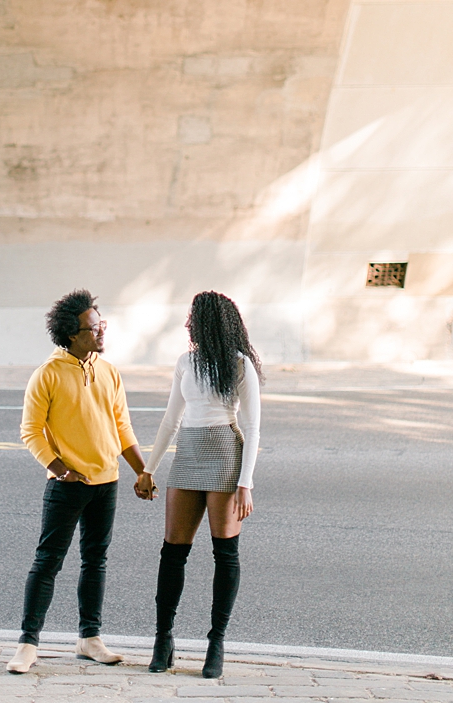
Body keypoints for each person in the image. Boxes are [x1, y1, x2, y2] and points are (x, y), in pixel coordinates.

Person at [7, 289, 152, 674]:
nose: (101, 332)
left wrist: (142, 470)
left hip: (107, 482)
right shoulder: (47, 374)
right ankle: (27, 644)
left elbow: (122, 426)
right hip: (68, 485)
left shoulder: (108, 371)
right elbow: (30, 431)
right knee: (47, 562)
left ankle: (90, 638)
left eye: (102, 324)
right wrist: (59, 468)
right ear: (72, 333)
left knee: (95, 561)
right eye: (93, 327)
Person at [141, 291, 262, 679]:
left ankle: (217, 642)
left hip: (225, 452)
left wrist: (246, 483)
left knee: (224, 553)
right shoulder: (185, 363)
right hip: (189, 453)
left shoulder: (240, 365)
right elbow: (170, 420)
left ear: (210, 323)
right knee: (172, 551)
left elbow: (254, 428)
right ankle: (164, 639)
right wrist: (150, 469)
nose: (187, 324)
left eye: (193, 318)